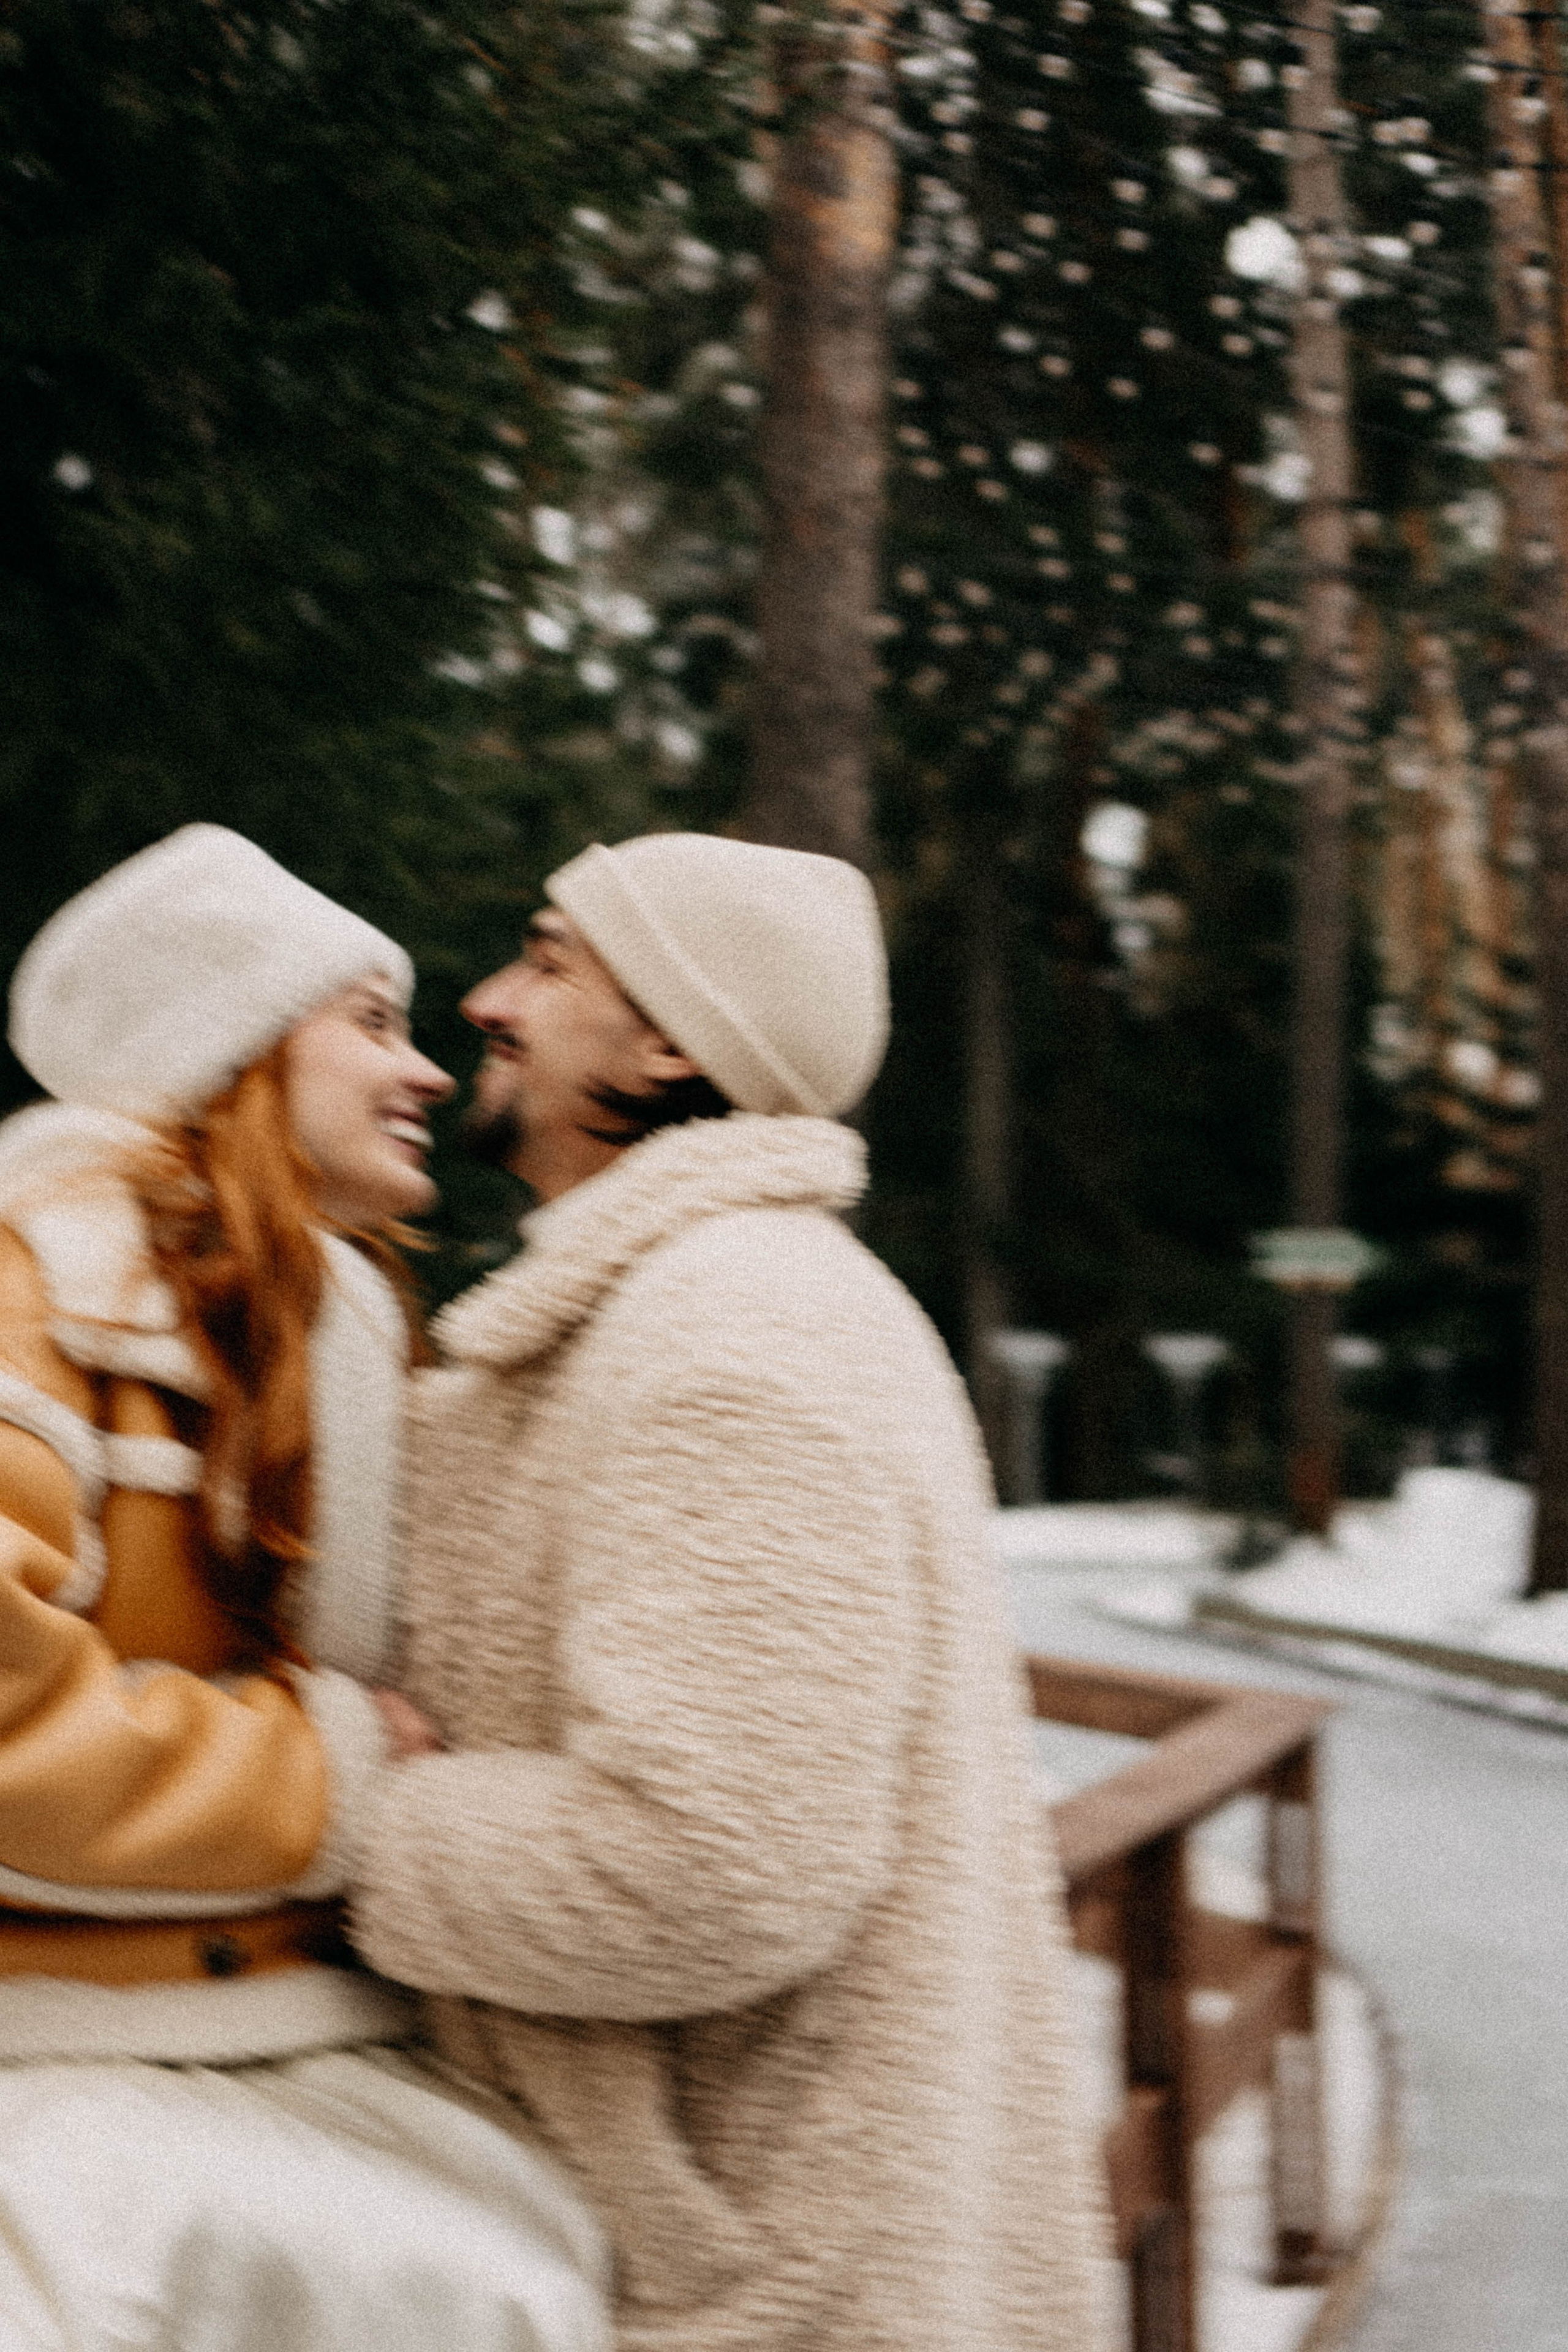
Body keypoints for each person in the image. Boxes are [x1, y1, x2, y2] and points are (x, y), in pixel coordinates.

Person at [350, 832, 1116, 2352]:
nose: (488, 1001)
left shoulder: (731, 1336)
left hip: (773, 2286)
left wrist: (341, 1807)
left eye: (550, 961)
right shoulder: (682, 1309)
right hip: (738, 2255)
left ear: (675, 1040)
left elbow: (707, 1872)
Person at [0, 826, 609, 2352]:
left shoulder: (321, 1332)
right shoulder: (31, 1305)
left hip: (261, 2020)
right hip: (68, 2050)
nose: (424, 1071)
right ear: (227, 1052)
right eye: (370, 1023)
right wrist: (330, 1765)